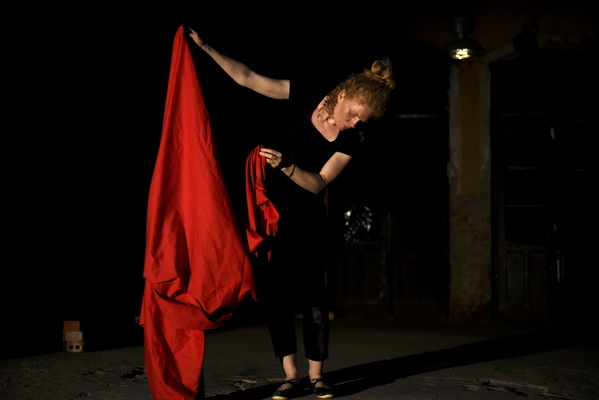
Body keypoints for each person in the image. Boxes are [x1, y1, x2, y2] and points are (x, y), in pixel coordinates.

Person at [189, 27, 395, 400]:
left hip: (309, 216)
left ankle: (317, 376)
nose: (354, 124)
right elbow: (248, 78)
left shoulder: (351, 140)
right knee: (276, 296)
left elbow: (319, 183)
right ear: (343, 95)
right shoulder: (307, 91)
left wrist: (287, 166)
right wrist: (206, 48)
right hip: (270, 209)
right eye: (353, 115)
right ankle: (290, 375)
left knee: (314, 297)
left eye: (362, 121)